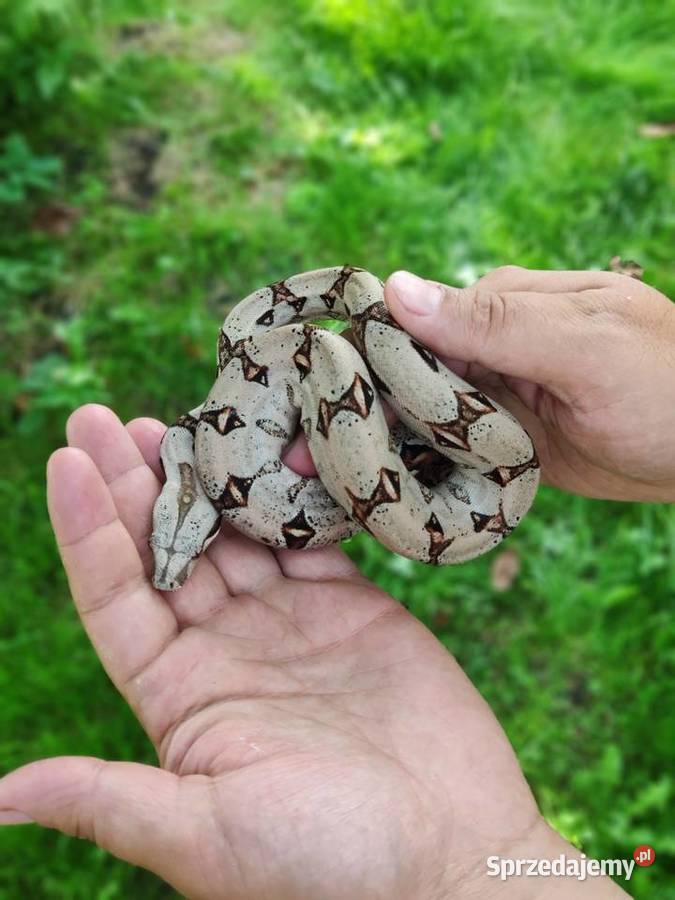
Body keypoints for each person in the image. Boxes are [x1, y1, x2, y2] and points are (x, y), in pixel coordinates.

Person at [0, 267, 672, 898]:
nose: (172, 572)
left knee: (333, 440)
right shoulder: (225, 435)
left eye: (183, 544)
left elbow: (243, 419)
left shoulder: (221, 432)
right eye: (173, 547)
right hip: (453, 470)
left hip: (451, 470)